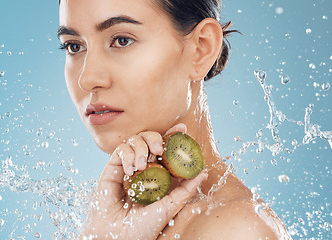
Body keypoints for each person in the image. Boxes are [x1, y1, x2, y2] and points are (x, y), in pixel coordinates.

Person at [57, 0, 291, 239]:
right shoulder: (114, 217)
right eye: (74, 46)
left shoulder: (236, 229)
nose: (86, 79)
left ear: (201, 49)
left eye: (122, 40)